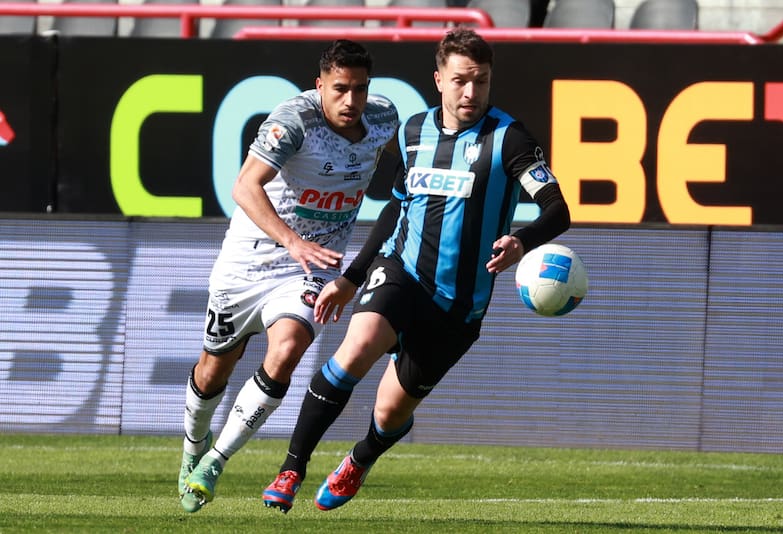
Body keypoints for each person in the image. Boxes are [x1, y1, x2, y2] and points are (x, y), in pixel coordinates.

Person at [261, 26, 570, 513]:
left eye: (482, 81)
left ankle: (360, 460)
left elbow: (558, 208)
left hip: (459, 303)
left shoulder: (509, 139)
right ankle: (291, 468)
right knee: (355, 350)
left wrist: (520, 240)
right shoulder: (412, 132)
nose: (472, 92)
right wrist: (351, 277)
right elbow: (395, 208)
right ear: (439, 80)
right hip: (400, 272)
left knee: (389, 412)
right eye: (462, 80)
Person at [178, 39, 399, 513]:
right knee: (214, 368)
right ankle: (194, 446)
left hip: (314, 265)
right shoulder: (294, 120)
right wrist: (292, 240)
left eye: (360, 89)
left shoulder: (384, 118)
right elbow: (244, 185)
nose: (351, 101)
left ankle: (215, 461)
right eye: (340, 89)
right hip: (249, 259)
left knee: (290, 346)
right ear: (320, 86)